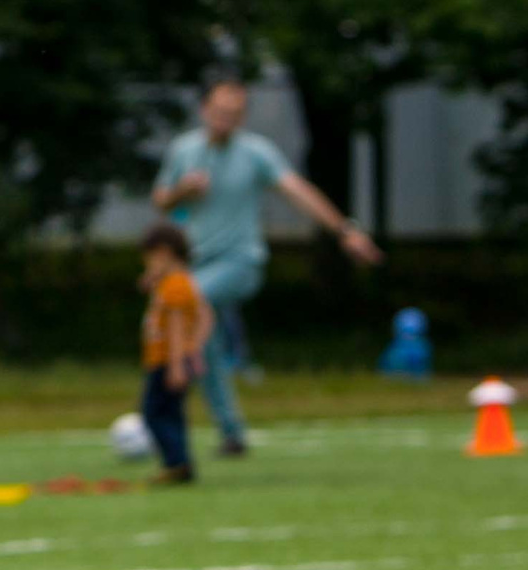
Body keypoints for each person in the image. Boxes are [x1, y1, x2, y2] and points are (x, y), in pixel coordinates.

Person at [151, 78, 381, 455]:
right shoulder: (184, 150)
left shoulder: (256, 152)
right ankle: (231, 433)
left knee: (186, 301)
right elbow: (161, 202)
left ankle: (163, 404)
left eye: (236, 113)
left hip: (241, 263)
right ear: (204, 110)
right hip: (196, 264)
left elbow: (298, 191)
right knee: (206, 342)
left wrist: (344, 230)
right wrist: (182, 193)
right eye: (221, 111)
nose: (228, 119)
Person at [137, 222, 213, 486]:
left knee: (153, 413)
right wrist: (195, 346)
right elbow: (206, 315)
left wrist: (177, 364)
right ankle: (180, 463)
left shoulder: (175, 285)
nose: (148, 264)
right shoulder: (181, 282)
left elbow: (177, 325)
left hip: (167, 362)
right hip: (170, 361)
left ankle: (176, 463)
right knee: (172, 414)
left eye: (150, 258)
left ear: (165, 252)